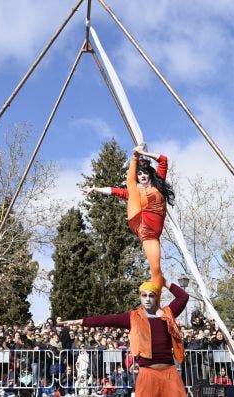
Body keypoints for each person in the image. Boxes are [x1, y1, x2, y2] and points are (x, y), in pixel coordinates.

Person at [59, 279, 188, 396]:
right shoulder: (132, 317)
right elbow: (106, 320)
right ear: (140, 297)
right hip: (147, 373)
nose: (147, 299)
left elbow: (183, 297)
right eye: (144, 295)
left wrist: (164, 282)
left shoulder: (168, 314)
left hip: (169, 372)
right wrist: (80, 321)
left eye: (151, 295)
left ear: (157, 298)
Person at [83, 145, 174, 294]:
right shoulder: (135, 190)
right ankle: (133, 158)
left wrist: (144, 153)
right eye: (139, 174)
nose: (142, 176)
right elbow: (114, 191)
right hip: (140, 223)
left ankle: (155, 301)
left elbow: (163, 160)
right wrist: (94, 189)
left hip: (153, 235)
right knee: (132, 189)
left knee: (156, 269)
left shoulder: (159, 184)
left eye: (145, 173)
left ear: (150, 174)